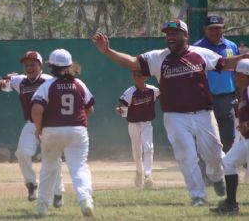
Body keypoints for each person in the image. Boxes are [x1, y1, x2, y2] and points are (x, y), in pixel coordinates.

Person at [92, 19, 249, 206]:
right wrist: (107, 51)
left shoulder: (200, 54)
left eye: (175, 33)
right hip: (175, 116)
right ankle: (197, 196)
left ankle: (216, 177)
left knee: (214, 155)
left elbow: (224, 64)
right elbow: (133, 62)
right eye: (168, 34)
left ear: (186, 35)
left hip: (203, 114)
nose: (170, 36)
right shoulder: (158, 57)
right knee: (186, 156)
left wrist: (243, 57)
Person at [31, 49, 95, 217]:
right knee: (79, 167)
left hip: (52, 130)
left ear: (52, 67)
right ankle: (85, 200)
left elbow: (37, 109)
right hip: (77, 129)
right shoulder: (79, 84)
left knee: (48, 168)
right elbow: (90, 109)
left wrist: (38, 128)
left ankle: (42, 206)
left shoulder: (47, 85)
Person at [0, 51, 65, 206]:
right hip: (31, 123)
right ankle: (31, 184)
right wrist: (3, 81)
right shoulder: (20, 81)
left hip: (50, 124)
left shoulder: (49, 81)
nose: (29, 67)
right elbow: (5, 84)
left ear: (41, 65)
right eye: (26, 65)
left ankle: (58, 193)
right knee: (22, 153)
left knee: (53, 159)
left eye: (33, 64)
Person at [193, 14, 240, 153]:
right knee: (208, 138)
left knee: (228, 137)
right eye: (211, 28)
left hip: (228, 98)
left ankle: (227, 170)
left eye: (218, 28)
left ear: (223, 29)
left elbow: (237, 73)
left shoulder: (231, 46)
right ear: (205, 29)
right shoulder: (196, 48)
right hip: (206, 99)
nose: (215, 31)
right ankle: (208, 172)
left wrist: (239, 97)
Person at [210, 59, 249, 214]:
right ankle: (231, 204)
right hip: (246, 139)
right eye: (235, 75)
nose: (236, 78)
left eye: (240, 75)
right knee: (228, 162)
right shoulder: (244, 91)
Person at [116, 71, 159, 188]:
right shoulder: (130, 92)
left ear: (144, 77)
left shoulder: (152, 90)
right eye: (135, 76)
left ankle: (148, 175)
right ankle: (139, 171)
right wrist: (120, 110)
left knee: (148, 147)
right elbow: (122, 106)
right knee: (137, 151)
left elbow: (164, 97)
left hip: (146, 123)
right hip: (133, 124)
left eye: (139, 75)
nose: (137, 78)